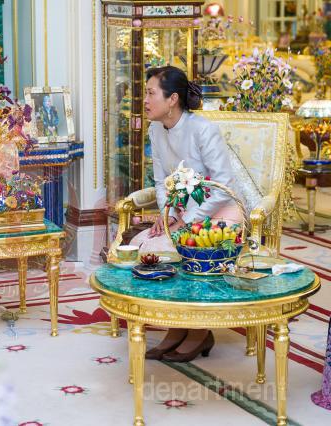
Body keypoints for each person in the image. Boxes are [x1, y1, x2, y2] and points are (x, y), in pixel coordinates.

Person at [129, 66, 244, 362]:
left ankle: (199, 331)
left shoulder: (203, 129)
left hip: (220, 214)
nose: (145, 100)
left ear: (173, 99)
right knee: (143, 246)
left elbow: (224, 187)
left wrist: (187, 220)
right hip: (182, 214)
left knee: (182, 250)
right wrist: (167, 213)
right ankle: (177, 326)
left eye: (151, 93)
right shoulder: (155, 129)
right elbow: (160, 181)